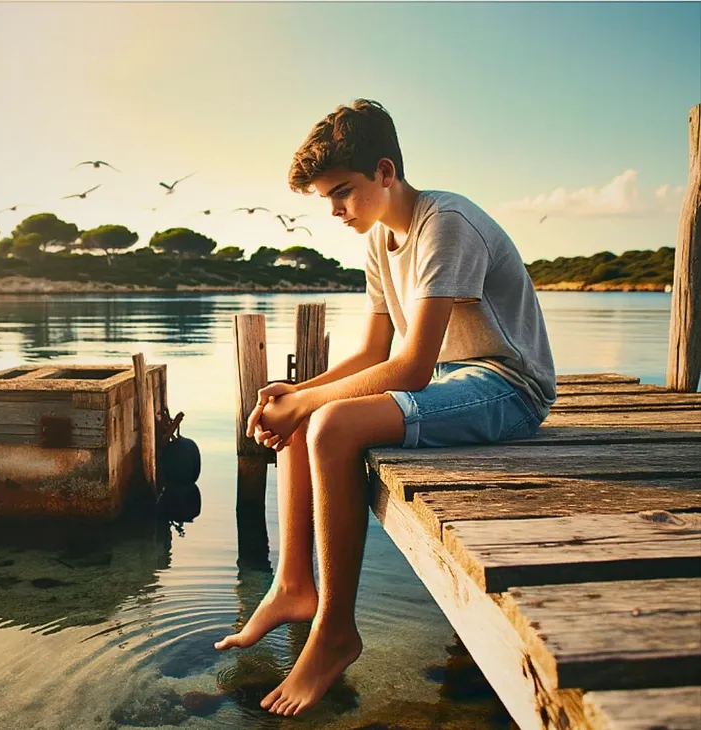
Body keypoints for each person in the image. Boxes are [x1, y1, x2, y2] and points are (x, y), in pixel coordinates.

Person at [214, 98, 556, 716]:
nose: (337, 211)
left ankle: (336, 633)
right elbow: (373, 351)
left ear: (385, 171)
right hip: (452, 379)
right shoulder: (379, 240)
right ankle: (294, 584)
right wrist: (300, 393)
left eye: (343, 192)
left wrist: (313, 405)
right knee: (306, 412)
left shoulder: (445, 223)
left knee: (331, 424)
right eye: (328, 200)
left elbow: (410, 367)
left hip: (510, 386)